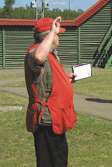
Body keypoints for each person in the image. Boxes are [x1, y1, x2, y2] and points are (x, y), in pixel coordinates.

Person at [24, 17, 77, 167]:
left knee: (60, 159)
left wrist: (65, 79)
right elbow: (38, 57)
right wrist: (53, 31)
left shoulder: (51, 53)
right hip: (46, 119)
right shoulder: (34, 52)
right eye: (57, 34)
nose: (59, 37)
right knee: (48, 162)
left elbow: (47, 78)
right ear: (49, 35)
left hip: (56, 117)